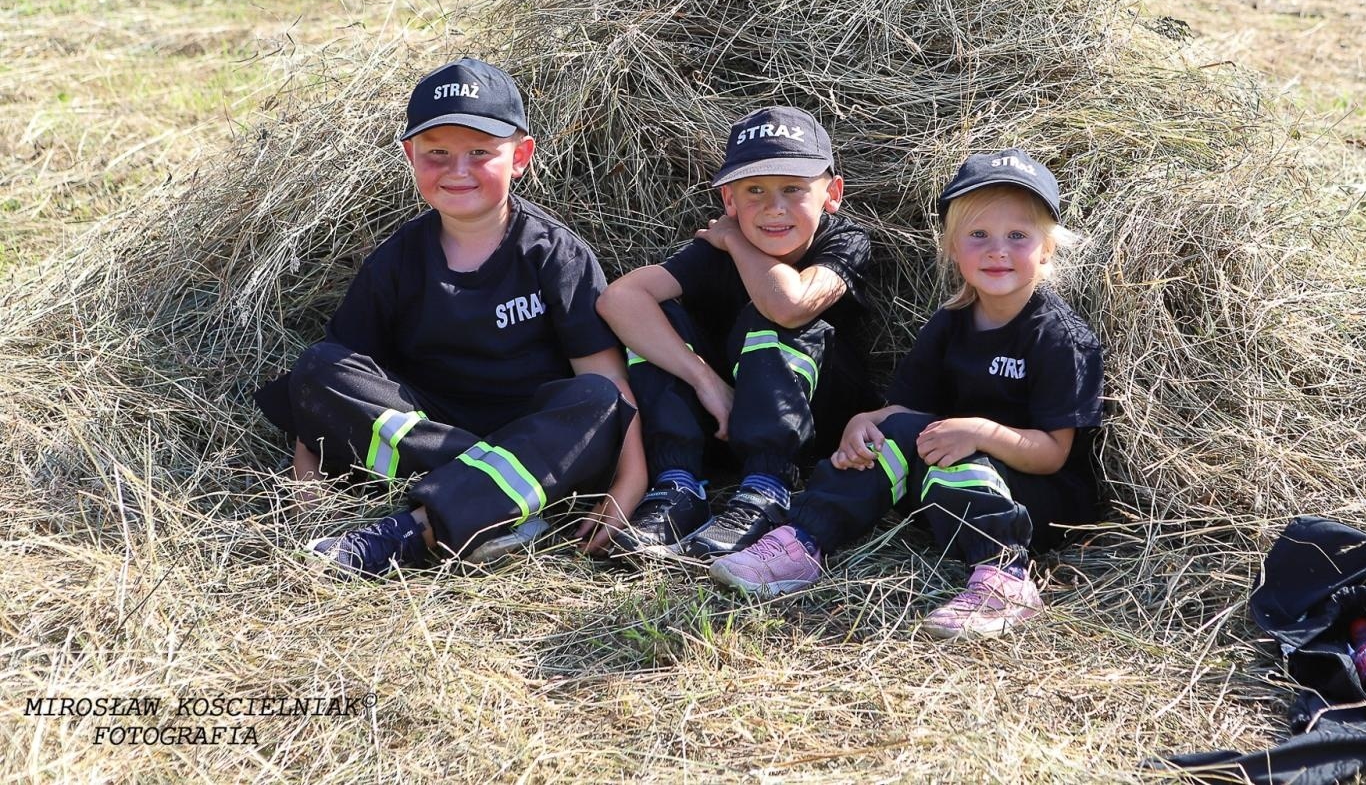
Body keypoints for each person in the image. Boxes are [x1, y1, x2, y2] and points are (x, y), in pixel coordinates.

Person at [254, 58, 645, 577]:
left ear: (520, 156)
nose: (458, 171)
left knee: (595, 402)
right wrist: (307, 486)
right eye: (437, 153)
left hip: (532, 430)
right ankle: (500, 504)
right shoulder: (397, 260)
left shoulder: (553, 253)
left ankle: (409, 533)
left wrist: (629, 485)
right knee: (319, 367)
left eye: (480, 153)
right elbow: (331, 384)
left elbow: (608, 381)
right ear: (410, 156)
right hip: (429, 430)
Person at [707, 149, 1103, 639]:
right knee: (889, 435)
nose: (997, 250)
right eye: (978, 235)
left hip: (1035, 498)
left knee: (953, 453)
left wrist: (979, 432)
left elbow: (1053, 455)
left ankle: (1005, 580)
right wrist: (863, 423)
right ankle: (803, 542)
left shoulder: (1058, 336)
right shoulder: (950, 322)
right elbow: (907, 411)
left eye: (1017, 236)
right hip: (951, 473)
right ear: (953, 248)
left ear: (1046, 248)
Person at [597, 106, 875, 560]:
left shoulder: (845, 241)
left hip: (809, 426)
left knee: (771, 315)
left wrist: (736, 241)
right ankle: (678, 486)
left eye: (793, 189)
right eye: (754, 191)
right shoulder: (714, 254)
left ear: (833, 194)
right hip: (728, 422)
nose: (774, 207)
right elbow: (619, 299)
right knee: (657, 317)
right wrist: (706, 381)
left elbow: (788, 305)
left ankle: (768, 490)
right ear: (729, 200)